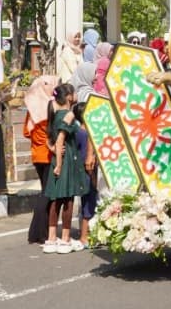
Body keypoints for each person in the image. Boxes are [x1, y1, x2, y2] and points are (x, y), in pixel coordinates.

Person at [43, 84, 86, 254]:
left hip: (57, 158)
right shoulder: (69, 114)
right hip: (67, 159)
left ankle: (51, 238)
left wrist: (53, 150)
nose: (76, 95)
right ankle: (65, 239)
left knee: (56, 199)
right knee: (68, 199)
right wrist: (60, 164)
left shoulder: (54, 113)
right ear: (68, 97)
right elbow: (60, 139)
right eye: (74, 92)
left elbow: (48, 139)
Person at [23, 76, 58, 245]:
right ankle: (39, 233)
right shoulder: (49, 107)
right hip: (49, 155)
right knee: (47, 194)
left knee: (44, 191)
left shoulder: (32, 108)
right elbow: (52, 134)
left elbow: (26, 132)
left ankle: (37, 232)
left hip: (37, 154)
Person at [72, 103, 97, 247]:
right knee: (89, 202)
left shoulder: (77, 132)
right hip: (87, 172)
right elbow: (87, 158)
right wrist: (92, 176)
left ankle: (86, 235)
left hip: (81, 171)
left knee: (86, 202)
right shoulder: (85, 133)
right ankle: (84, 237)